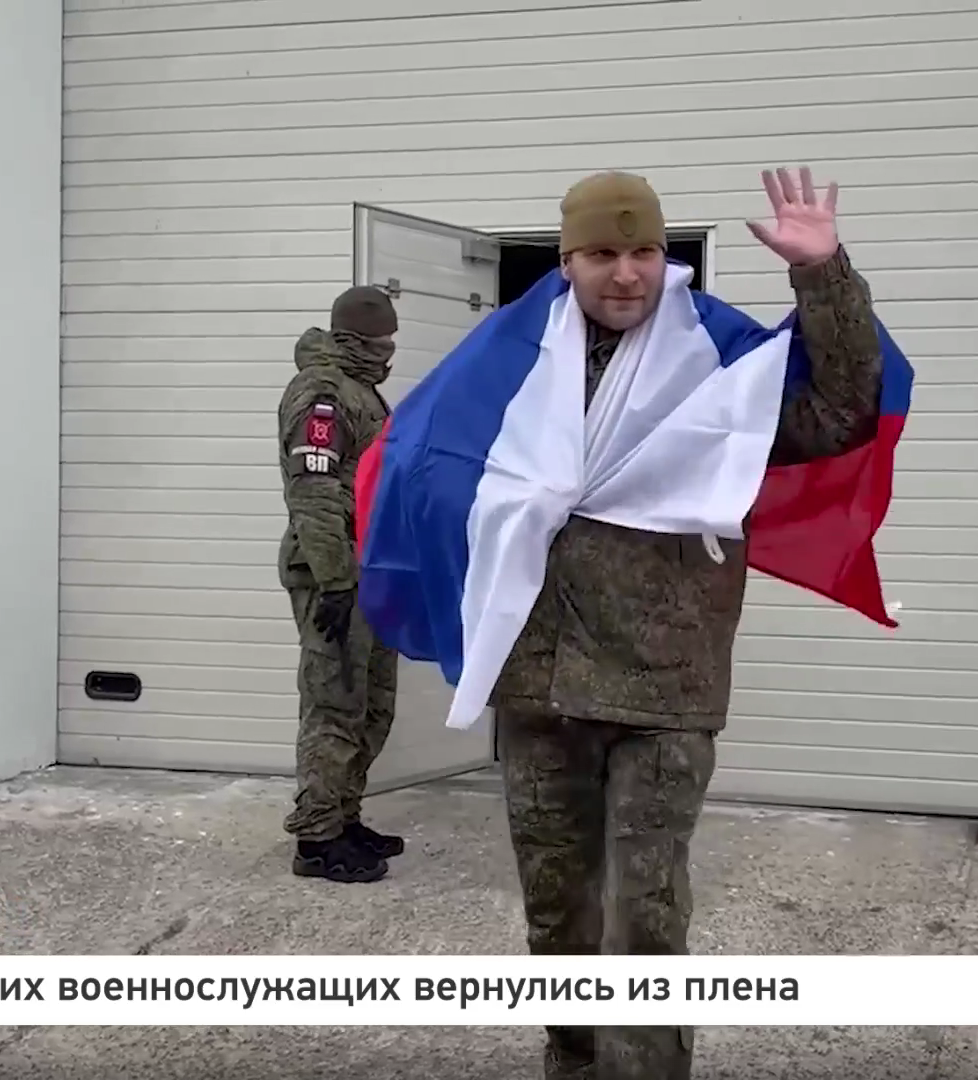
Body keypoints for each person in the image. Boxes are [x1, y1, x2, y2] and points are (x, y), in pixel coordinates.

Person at [368, 167, 889, 1079]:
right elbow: (424, 454)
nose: (626, 273)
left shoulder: (715, 358)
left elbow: (842, 416)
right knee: (558, 916)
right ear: (567, 261)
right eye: (602, 253)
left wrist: (821, 273)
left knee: (645, 919)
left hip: (664, 687)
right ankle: (573, 1064)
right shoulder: (510, 356)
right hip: (541, 687)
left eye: (644, 250)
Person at [274, 284, 407, 884]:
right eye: (380, 340)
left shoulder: (360, 386)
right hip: (336, 576)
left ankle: (344, 817)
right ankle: (317, 839)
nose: (388, 350)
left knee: (371, 705)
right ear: (354, 338)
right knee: (334, 704)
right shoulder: (323, 394)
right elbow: (315, 492)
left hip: (369, 571)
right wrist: (334, 580)